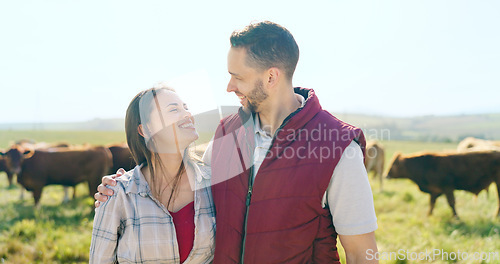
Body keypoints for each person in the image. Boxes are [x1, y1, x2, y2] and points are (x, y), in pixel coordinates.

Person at [96, 21, 378, 264]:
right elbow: (180, 180)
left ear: (271, 77)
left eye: (237, 77)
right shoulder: (225, 135)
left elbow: (361, 254)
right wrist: (124, 186)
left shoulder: (338, 147)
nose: (229, 87)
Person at [90, 84, 215, 263]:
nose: (187, 114)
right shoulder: (118, 194)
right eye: (174, 109)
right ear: (145, 129)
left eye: (186, 108)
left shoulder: (213, 185)